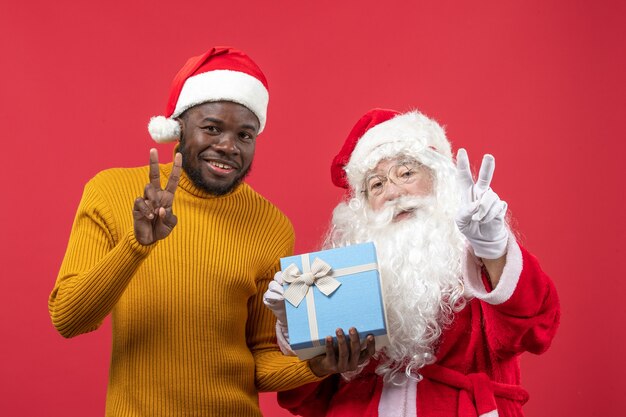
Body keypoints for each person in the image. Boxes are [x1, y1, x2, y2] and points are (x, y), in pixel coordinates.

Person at [48, 47, 337, 417]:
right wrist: (136, 246)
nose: (228, 146)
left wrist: (315, 366)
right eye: (212, 127)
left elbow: (261, 359)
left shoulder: (271, 225)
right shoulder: (110, 191)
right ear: (178, 128)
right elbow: (69, 319)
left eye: (245, 135)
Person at [264, 108, 560, 417]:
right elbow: (302, 400)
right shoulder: (340, 281)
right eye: (376, 185)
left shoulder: (480, 256)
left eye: (406, 173)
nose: (392, 192)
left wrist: (495, 249)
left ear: (438, 178)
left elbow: (537, 328)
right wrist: (297, 328)